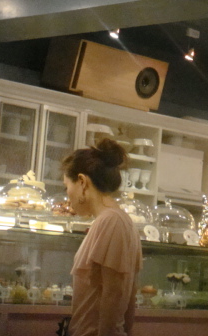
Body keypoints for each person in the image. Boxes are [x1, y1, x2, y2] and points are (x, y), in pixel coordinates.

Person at [62, 138, 142, 336]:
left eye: (66, 186)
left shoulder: (111, 221)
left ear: (82, 182)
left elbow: (113, 294)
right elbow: (129, 299)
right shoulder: (117, 220)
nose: (67, 195)